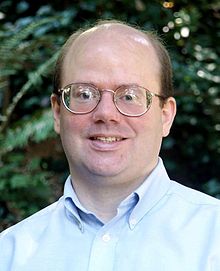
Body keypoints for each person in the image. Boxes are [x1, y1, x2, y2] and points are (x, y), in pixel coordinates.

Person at [0, 20, 220, 271]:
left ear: (166, 116)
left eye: (129, 96)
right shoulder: (8, 255)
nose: (106, 113)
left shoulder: (214, 240)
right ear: (57, 113)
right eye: (84, 94)